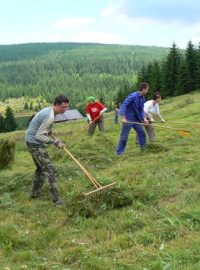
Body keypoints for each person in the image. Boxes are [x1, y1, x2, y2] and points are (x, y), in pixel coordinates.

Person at [25, 95, 69, 205]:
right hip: (34, 143)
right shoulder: (49, 116)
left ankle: (35, 193)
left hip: (30, 140)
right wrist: (55, 142)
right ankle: (56, 199)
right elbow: (39, 136)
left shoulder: (49, 110)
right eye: (63, 107)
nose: (65, 110)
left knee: (40, 168)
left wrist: (48, 131)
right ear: (56, 105)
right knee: (50, 170)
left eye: (67, 107)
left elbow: (39, 124)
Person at [116, 82, 149, 156]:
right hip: (128, 119)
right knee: (124, 137)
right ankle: (119, 153)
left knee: (142, 134)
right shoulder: (133, 96)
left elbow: (141, 109)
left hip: (136, 119)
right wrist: (123, 117)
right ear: (143, 89)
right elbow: (124, 105)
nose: (147, 91)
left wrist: (144, 118)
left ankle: (144, 149)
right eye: (147, 90)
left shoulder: (143, 98)